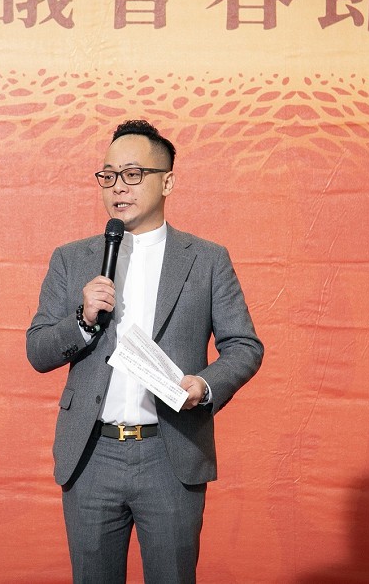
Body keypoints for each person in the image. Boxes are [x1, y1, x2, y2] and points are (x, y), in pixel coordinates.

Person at [26, 119, 264, 583]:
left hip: (170, 453)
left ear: (167, 182)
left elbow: (244, 346)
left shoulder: (206, 259)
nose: (119, 187)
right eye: (109, 175)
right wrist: (82, 319)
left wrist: (204, 386)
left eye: (133, 174)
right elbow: (38, 349)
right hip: (91, 454)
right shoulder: (72, 259)